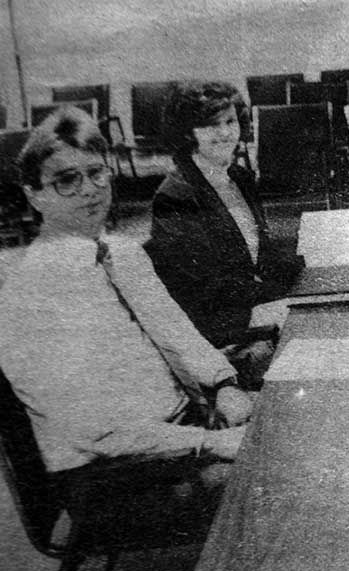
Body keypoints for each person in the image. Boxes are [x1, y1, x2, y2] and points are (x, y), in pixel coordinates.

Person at [0, 106, 250, 480]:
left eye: (97, 173)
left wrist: (223, 384)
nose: (89, 190)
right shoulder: (30, 295)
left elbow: (175, 331)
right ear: (35, 196)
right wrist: (209, 442)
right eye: (66, 180)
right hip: (115, 472)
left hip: (183, 430)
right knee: (281, 470)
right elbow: (96, 432)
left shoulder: (121, 252)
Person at [145, 80, 303, 389]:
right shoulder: (176, 195)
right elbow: (203, 289)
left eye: (229, 121)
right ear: (189, 132)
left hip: (250, 304)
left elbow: (262, 255)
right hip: (218, 327)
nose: (224, 132)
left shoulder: (239, 178)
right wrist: (278, 299)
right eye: (210, 125)